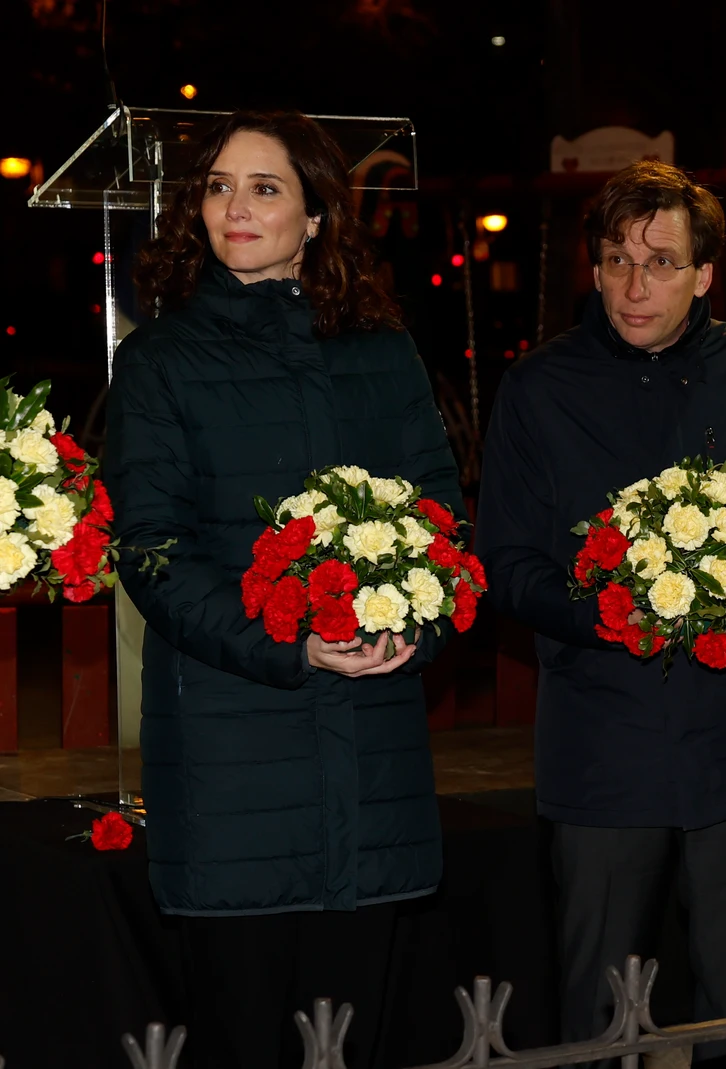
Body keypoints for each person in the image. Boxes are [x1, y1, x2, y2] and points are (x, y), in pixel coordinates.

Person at [105, 110, 464, 1069]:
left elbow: (440, 524)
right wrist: (291, 644)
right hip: (232, 761)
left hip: (374, 746)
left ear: (315, 217)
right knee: (245, 1040)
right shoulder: (160, 362)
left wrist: (410, 630)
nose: (236, 207)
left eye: (265, 188)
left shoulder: (383, 354)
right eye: (219, 187)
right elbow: (151, 552)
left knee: (361, 1043)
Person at [475, 161, 726, 1068]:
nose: (635, 285)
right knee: (597, 1010)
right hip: (605, 737)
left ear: (706, 271)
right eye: (615, 261)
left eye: (661, 262)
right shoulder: (540, 388)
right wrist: (611, 609)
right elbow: (505, 564)